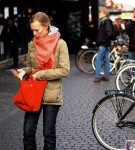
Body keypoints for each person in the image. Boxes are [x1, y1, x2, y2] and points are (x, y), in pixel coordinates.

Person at [16, 12, 70, 150]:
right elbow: (30, 66)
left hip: (52, 95)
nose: (34, 34)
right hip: (34, 94)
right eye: (32, 30)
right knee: (28, 132)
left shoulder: (60, 44)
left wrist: (39, 74)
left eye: (37, 30)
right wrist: (24, 71)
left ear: (46, 26)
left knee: (48, 134)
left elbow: (64, 70)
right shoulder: (32, 45)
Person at [94, 9, 113, 82]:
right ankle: (106, 76)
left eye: (100, 13)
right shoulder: (104, 21)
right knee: (106, 60)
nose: (99, 14)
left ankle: (97, 76)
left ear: (105, 14)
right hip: (104, 44)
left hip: (103, 44)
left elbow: (109, 33)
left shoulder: (106, 21)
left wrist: (102, 41)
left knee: (98, 59)